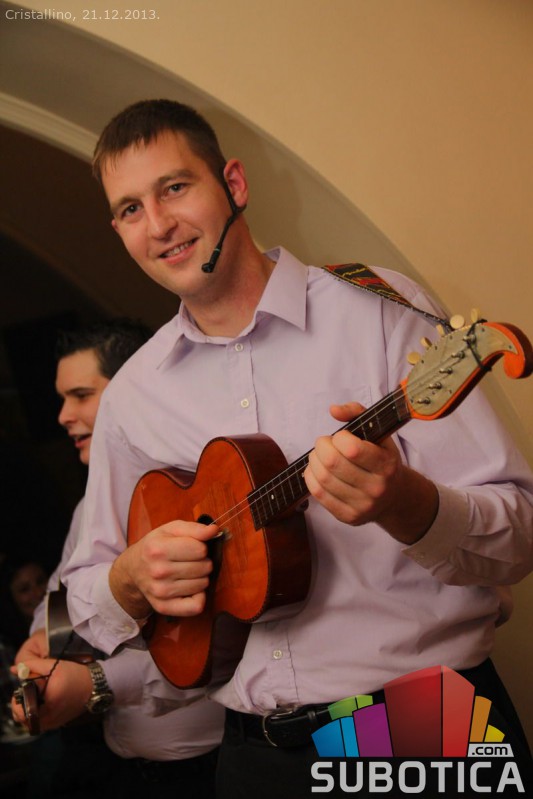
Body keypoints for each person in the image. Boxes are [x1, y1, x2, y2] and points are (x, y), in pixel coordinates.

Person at [61, 100, 533, 797]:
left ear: (234, 184)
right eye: (130, 209)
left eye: (175, 187)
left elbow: (519, 536)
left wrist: (407, 504)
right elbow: (85, 595)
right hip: (254, 752)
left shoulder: (376, 308)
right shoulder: (132, 395)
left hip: (421, 719)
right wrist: (131, 578)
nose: (158, 225)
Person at [12, 318, 224, 798]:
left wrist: (96, 682)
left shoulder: (196, 489)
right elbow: (60, 596)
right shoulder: (88, 507)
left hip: (206, 770)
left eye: (81, 395)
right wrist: (44, 643)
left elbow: (211, 642)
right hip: (116, 768)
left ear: (135, 387)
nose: (63, 415)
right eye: (63, 398)